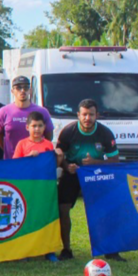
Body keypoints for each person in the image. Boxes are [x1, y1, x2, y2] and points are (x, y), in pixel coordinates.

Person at [55, 99, 119, 261]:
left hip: (95, 173)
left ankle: (109, 249)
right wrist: (66, 165)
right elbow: (58, 156)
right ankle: (66, 249)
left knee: (104, 210)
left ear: (97, 115)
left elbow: (115, 160)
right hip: (72, 173)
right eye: (84, 114)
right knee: (63, 209)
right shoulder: (68, 132)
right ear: (78, 115)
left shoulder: (105, 133)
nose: (87, 118)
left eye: (91, 114)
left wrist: (95, 163)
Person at [0, 76, 53, 160]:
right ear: (12, 91)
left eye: (26, 87)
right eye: (18, 87)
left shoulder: (43, 111)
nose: (22, 90)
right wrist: (8, 150)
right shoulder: (3, 111)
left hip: (36, 161)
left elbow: (48, 136)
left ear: (30, 90)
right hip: (11, 161)